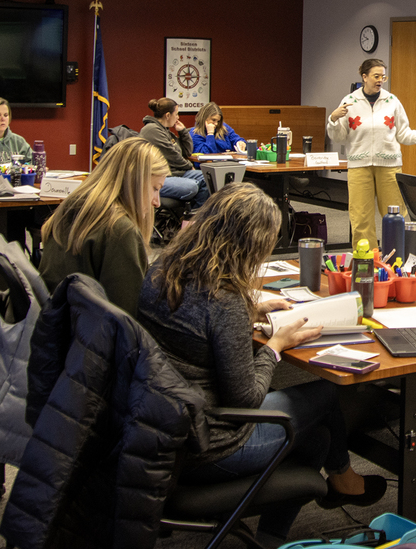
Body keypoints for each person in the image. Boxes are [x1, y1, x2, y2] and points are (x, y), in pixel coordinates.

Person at [139, 182, 387, 546]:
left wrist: (252, 310)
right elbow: (245, 399)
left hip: (158, 430)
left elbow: (197, 322)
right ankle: (341, 478)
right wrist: (275, 345)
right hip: (210, 443)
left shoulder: (162, 268)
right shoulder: (225, 301)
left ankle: (277, 534)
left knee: (317, 439)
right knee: (325, 393)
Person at [37, 137, 169, 318]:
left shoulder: (76, 206)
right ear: (134, 183)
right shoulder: (119, 230)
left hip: (59, 327)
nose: (157, 202)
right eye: (155, 188)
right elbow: (126, 320)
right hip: (89, 335)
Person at [327, 58, 416, 248]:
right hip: (359, 166)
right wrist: (333, 119)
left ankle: (397, 256)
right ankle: (367, 258)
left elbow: (403, 133)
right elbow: (339, 137)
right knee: (361, 217)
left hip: (389, 166)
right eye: (376, 76)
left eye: (383, 76)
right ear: (364, 77)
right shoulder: (349, 102)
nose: (380, 80)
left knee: (395, 215)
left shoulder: (392, 101)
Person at [139, 97, 210, 207]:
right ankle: (191, 218)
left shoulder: (165, 131)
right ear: (168, 115)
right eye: (176, 114)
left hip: (173, 173)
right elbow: (173, 156)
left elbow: (187, 152)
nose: (178, 117)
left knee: (208, 177)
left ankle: (197, 217)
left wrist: (182, 132)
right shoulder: (152, 130)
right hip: (156, 177)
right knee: (192, 186)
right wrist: (189, 166)